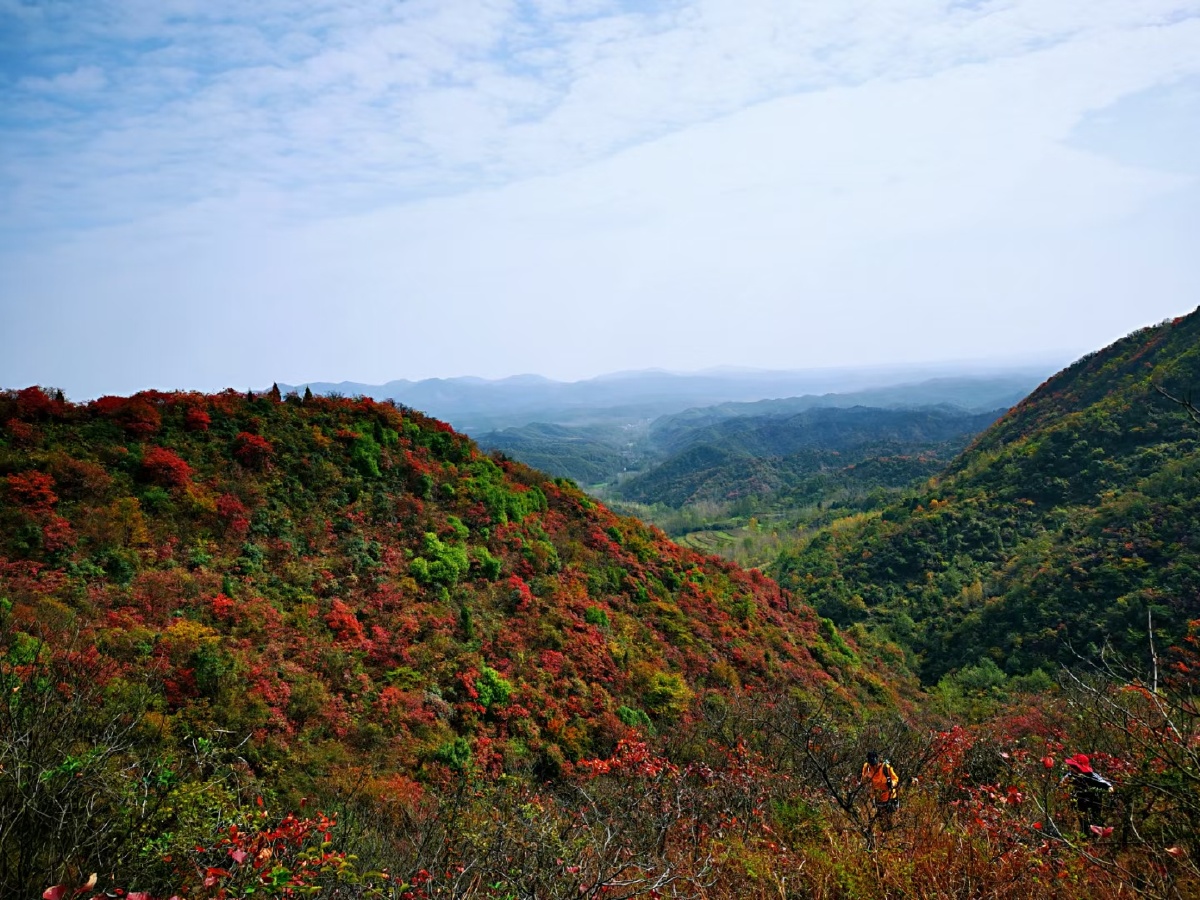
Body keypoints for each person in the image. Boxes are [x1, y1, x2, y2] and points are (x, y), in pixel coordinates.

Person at [1063, 753, 1113, 834]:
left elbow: (1102, 781)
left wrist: (1109, 787)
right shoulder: (1070, 775)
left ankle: (1096, 834)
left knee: (1096, 819)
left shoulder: (1091, 775)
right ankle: (1085, 834)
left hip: (1094, 799)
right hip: (1079, 800)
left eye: (1074, 767)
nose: (1072, 769)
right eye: (1072, 767)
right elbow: (1062, 784)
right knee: (1082, 819)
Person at [861, 751, 900, 823]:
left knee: (892, 820)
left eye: (874, 765)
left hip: (890, 797)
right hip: (878, 798)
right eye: (871, 765)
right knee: (881, 821)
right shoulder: (867, 767)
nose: (873, 767)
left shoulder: (885, 767)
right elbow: (863, 781)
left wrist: (891, 783)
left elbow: (896, 779)